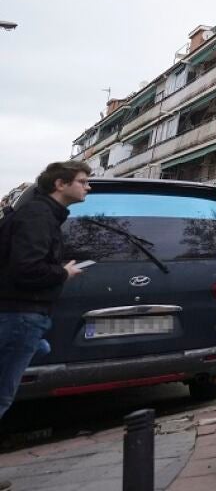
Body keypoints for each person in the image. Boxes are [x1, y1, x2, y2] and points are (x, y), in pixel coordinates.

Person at [0, 163, 90, 446]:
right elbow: (27, 269)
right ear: (60, 184)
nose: (88, 187)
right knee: (2, 394)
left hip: (23, 315)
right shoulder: (38, 217)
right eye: (82, 181)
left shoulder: (42, 215)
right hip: (21, 314)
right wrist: (63, 273)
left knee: (41, 349)